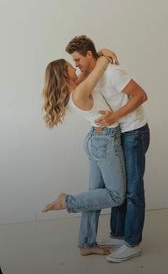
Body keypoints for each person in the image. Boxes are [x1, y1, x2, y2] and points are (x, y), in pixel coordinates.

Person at [65, 35, 150, 263]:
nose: (76, 65)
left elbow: (141, 95)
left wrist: (115, 116)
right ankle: (119, 234)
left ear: (89, 55)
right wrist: (103, 51)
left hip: (133, 132)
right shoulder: (95, 74)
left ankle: (132, 243)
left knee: (133, 191)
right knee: (119, 187)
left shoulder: (112, 73)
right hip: (118, 134)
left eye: (77, 59)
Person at [42, 54, 126, 257]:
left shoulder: (75, 89)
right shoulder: (79, 92)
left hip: (96, 140)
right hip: (104, 141)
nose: (75, 67)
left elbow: (89, 71)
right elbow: (99, 67)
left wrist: (100, 53)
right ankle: (67, 201)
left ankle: (87, 243)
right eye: (71, 66)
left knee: (94, 195)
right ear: (65, 74)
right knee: (116, 195)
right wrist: (103, 54)